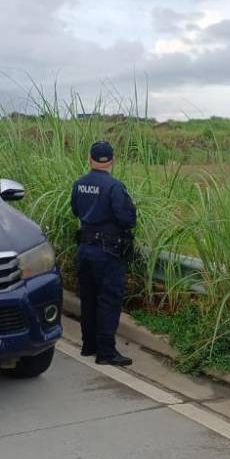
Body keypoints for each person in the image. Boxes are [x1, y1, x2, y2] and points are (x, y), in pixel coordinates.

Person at [71, 141, 137, 366]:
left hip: (85, 249)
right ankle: (106, 352)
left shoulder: (79, 184)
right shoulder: (115, 187)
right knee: (108, 300)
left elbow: (75, 210)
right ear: (112, 161)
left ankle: (89, 345)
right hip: (108, 253)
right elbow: (127, 219)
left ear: (90, 159)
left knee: (88, 299)